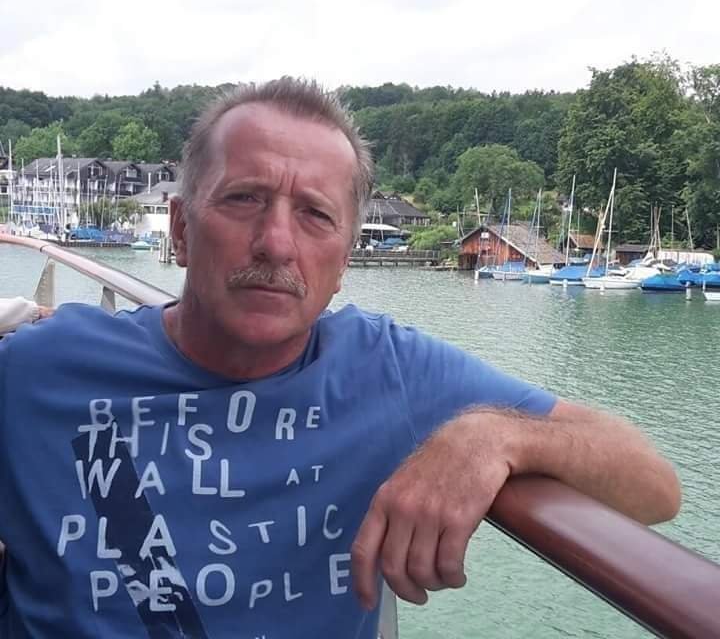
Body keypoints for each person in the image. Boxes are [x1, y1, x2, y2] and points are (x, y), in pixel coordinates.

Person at [0, 78, 680, 639]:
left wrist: (495, 436)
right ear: (181, 228)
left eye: (315, 215)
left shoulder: (387, 372)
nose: (276, 243)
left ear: (344, 259)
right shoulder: (39, 372)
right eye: (244, 199)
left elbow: (652, 486)